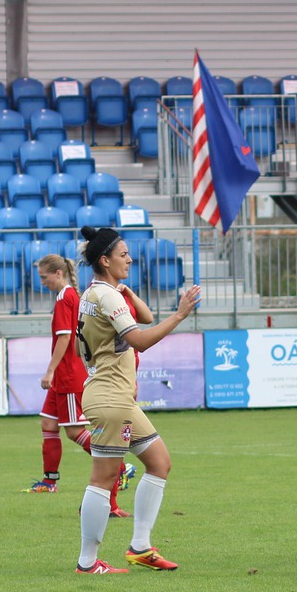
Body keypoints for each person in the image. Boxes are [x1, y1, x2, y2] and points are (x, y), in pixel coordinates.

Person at [73, 226, 200, 574]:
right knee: (103, 478)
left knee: (159, 462)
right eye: (123, 254)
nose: (130, 259)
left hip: (114, 396)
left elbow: (144, 317)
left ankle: (140, 547)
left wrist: (124, 288)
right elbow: (140, 339)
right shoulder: (108, 297)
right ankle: (87, 562)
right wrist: (179, 314)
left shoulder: (96, 293)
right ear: (105, 260)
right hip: (110, 396)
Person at [27, 253, 140, 518]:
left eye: (44, 277)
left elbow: (66, 339)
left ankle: (119, 467)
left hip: (67, 374)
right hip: (63, 376)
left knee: (74, 431)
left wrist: (51, 370)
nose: (42, 282)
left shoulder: (66, 298)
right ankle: (50, 480)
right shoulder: (68, 297)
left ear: (58, 274)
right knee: (48, 424)